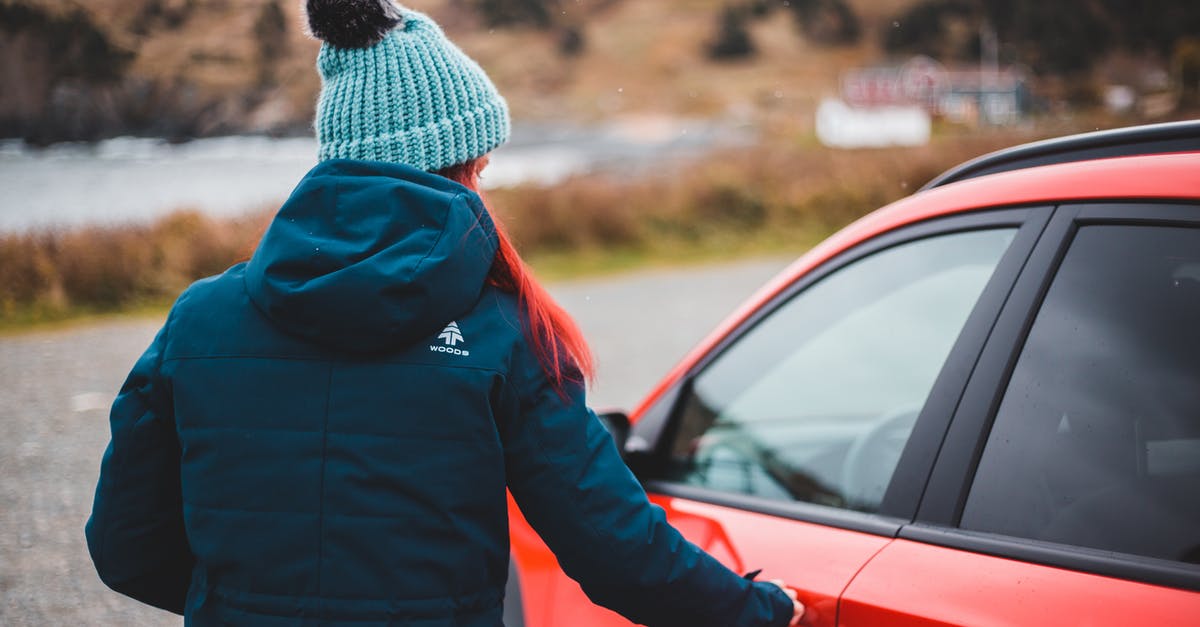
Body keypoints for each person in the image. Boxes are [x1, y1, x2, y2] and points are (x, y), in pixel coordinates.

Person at [85, 1, 805, 625]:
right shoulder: (504, 332)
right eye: (479, 166)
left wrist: (247, 604)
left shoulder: (198, 320)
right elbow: (612, 545)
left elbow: (124, 543)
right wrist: (756, 610)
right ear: (453, 166)